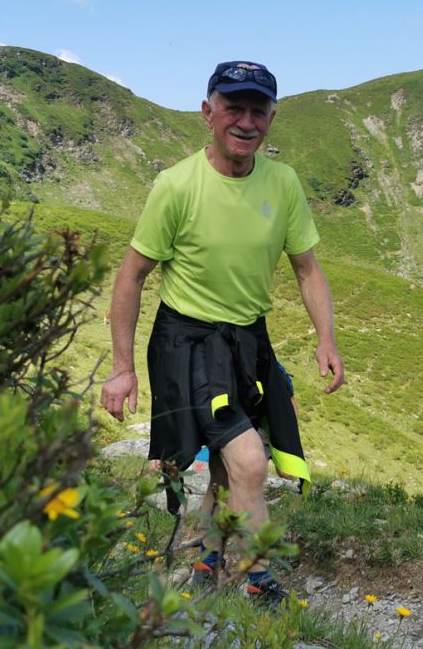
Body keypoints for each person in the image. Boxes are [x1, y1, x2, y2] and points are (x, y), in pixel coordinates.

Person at [100, 61, 344, 605]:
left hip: (248, 340)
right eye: (233, 107)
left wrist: (326, 338)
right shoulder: (176, 186)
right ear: (208, 113)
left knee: (229, 465)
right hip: (186, 342)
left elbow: (307, 269)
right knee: (250, 460)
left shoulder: (282, 183)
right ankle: (260, 582)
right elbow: (132, 275)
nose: (246, 121)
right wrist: (122, 368)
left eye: (258, 110)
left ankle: (206, 562)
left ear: (272, 118)